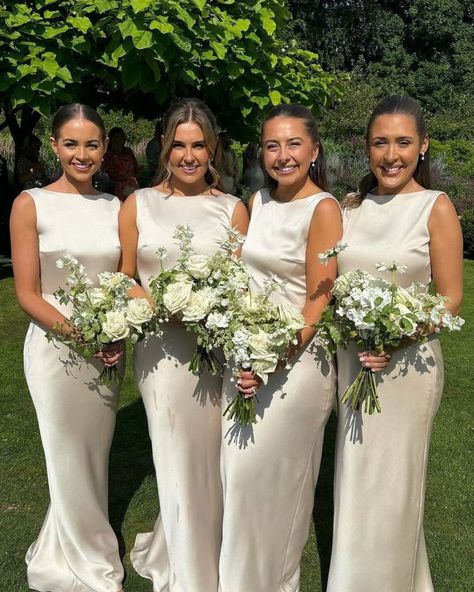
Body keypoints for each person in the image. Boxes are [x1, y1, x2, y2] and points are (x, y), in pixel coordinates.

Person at [326, 95, 463, 592]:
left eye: (403, 142)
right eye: (380, 142)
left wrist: (395, 335)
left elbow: (449, 300)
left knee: (394, 487)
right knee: (357, 480)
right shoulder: (350, 207)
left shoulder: (436, 207)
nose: (391, 155)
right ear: (366, 149)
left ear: (423, 146)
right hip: (353, 364)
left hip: (407, 370)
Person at [119, 98, 249, 591]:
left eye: (199, 145)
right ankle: (189, 572)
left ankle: (201, 544)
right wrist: (160, 306)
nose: (189, 156)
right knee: (174, 453)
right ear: (164, 149)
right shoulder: (139, 203)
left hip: (215, 351)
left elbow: (240, 282)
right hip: (161, 351)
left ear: (212, 150)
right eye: (179, 145)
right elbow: (126, 276)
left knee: (211, 456)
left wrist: (210, 309)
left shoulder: (232, 209)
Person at [219, 104, 342, 592]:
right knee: (241, 479)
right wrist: (240, 349)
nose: (283, 155)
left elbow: (318, 302)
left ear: (313, 151)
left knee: (276, 483)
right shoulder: (257, 201)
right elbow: (236, 276)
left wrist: (271, 360)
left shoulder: (324, 208)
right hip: (246, 358)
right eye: (272, 145)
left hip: (297, 364)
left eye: (294, 144)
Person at [10, 104, 125, 592]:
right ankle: (88, 557)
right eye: (72, 144)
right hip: (56, 351)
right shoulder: (29, 202)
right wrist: (84, 337)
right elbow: (27, 293)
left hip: (108, 350)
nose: (82, 154)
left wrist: (120, 325)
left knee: (92, 455)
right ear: (55, 146)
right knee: (64, 453)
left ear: (103, 149)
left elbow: (123, 278)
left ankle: (69, 541)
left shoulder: (114, 205)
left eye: (92, 144)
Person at [102, 126, 140, 201]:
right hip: (116, 187)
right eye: (117, 137)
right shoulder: (107, 155)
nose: (120, 139)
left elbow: (135, 166)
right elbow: (106, 172)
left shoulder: (128, 152)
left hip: (132, 185)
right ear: (112, 139)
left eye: (122, 136)